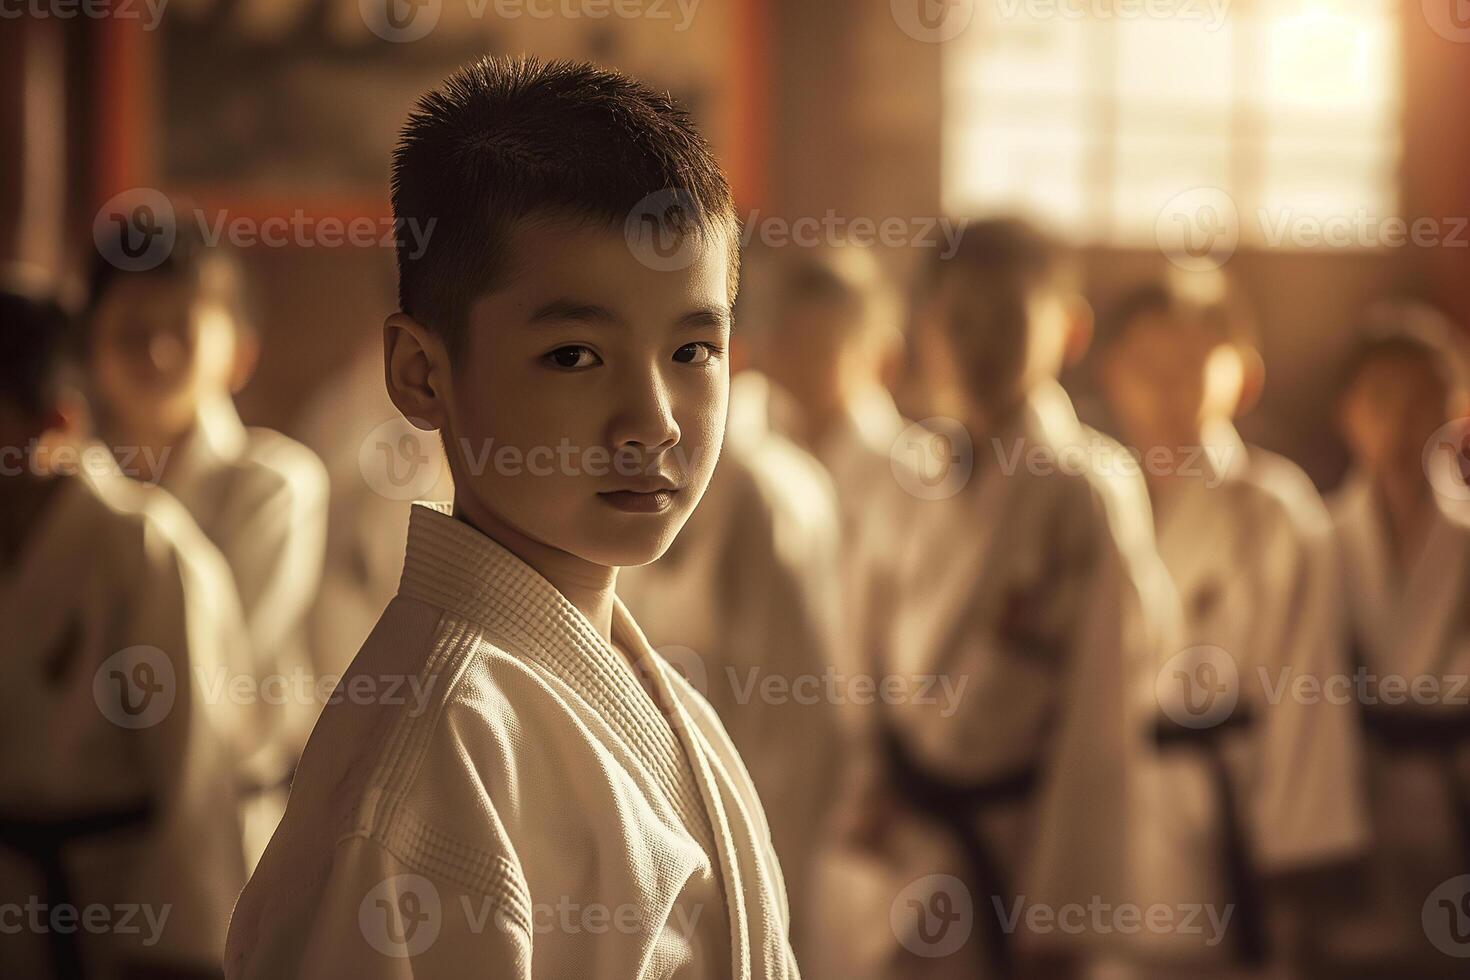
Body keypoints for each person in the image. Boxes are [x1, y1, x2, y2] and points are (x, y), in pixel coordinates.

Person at [225, 56, 798, 978]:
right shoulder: (436, 756)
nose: (652, 421)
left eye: (694, 348)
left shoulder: (651, 696)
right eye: (574, 355)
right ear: (421, 373)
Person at [834, 218, 1178, 979]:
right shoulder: (907, 475)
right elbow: (857, 645)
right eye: (959, 321)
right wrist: (869, 779)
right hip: (909, 828)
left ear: (1069, 327)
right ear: (926, 330)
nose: (979, 344)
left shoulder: (1087, 487)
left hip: (1024, 840)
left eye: (1007, 319)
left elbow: (1107, 705)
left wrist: (1068, 905)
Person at [1096, 271, 1370, 977]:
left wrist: (1294, 866)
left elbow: (1307, 697)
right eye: (1145, 367)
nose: (1165, 389)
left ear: (1242, 377)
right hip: (1098, 830)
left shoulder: (1274, 510)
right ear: (1111, 374)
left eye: (1190, 366)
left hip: (1228, 829)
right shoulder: (1089, 498)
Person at [0, 280, 249, 978]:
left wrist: (176, 953)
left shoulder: (143, 548)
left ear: (52, 422)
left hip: (120, 912)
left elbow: (198, 775)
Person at [85, 224, 328, 865]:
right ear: (90, 348)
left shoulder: (274, 485)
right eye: (131, 332)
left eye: (181, 333)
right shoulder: (64, 486)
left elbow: (215, 682)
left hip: (231, 834)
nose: (156, 354)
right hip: (76, 845)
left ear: (238, 355)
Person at [616, 330, 846, 956]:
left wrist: (755, 885)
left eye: (687, 354)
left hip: (741, 833)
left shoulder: (769, 496)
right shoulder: (613, 483)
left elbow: (798, 728)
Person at [1325, 304, 1470, 978]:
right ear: (1347, 412)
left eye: (1427, 400)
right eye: (1383, 399)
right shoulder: (1316, 537)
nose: (1405, 421)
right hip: (1353, 808)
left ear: (1459, 407)